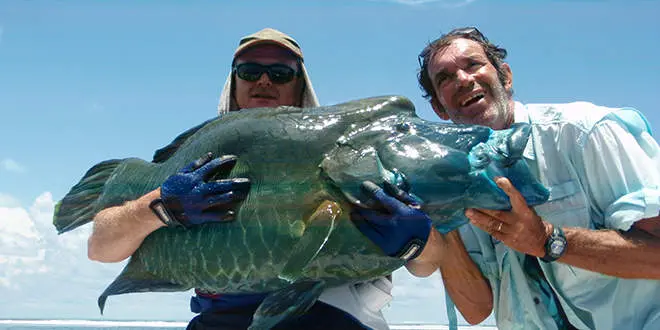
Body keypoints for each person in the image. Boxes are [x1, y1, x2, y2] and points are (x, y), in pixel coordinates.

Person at [87, 28, 394, 330]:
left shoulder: (352, 146)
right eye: (249, 71)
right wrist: (160, 207)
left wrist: (409, 244)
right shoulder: (197, 157)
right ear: (233, 83)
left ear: (301, 86)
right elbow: (100, 248)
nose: (264, 80)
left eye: (280, 73)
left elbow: (415, 251)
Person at [355, 26, 660, 329]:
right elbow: (476, 309)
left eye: (472, 64)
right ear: (439, 108)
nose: (462, 79)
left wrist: (548, 240)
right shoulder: (450, 181)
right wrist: (439, 219)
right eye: (444, 78)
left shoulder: (587, 133)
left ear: (506, 77)